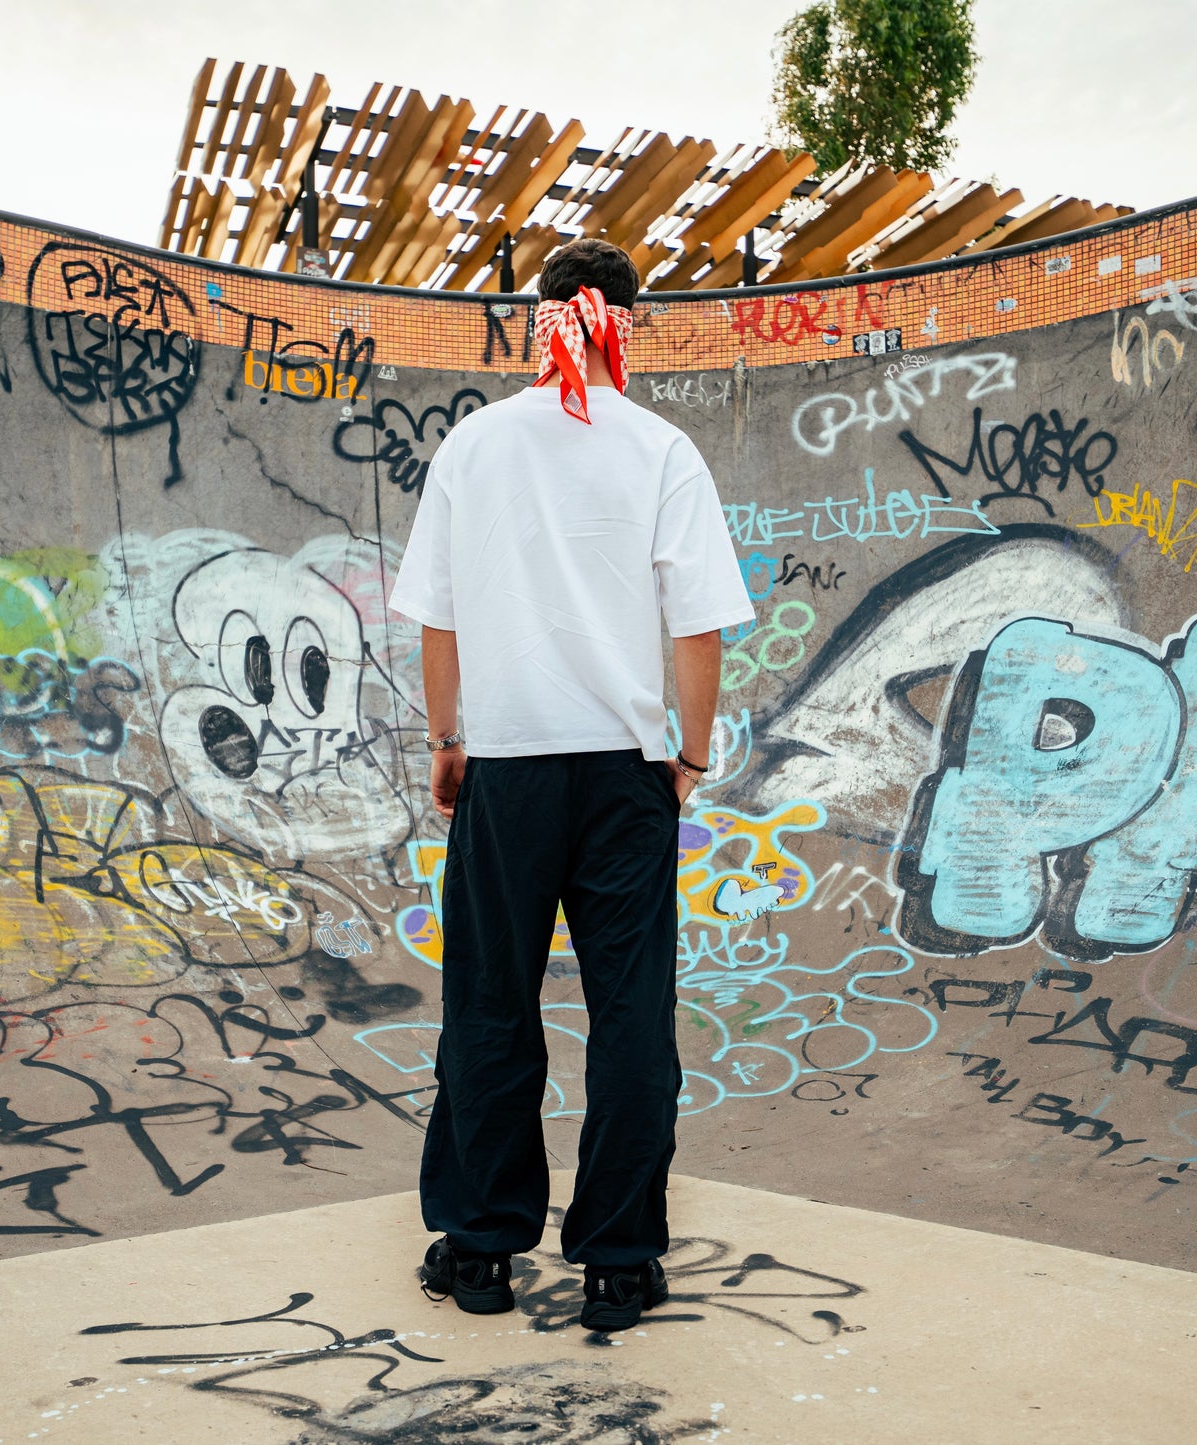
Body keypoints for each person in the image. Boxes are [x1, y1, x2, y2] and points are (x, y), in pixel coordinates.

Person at [388, 237, 753, 1331]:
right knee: (632, 1012)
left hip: (504, 767)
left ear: (535, 317)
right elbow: (695, 628)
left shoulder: (475, 444)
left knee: (490, 1004)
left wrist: (447, 738)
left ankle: (481, 1247)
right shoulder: (660, 449)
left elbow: (438, 616)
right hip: (625, 775)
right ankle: (616, 1259)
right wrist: (687, 756)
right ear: (622, 325)